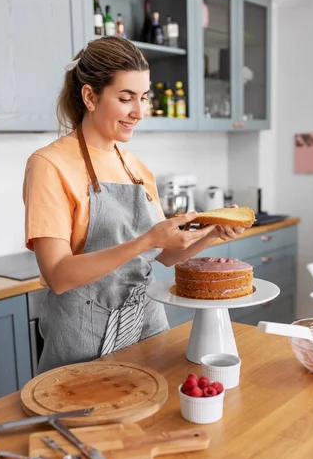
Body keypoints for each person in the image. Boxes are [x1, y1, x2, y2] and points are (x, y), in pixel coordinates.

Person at [23, 37, 242, 374]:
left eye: (143, 98)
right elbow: (58, 276)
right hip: (83, 341)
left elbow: (163, 256)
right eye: (126, 99)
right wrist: (148, 239)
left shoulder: (135, 167)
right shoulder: (49, 165)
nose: (139, 112)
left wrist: (211, 233)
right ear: (90, 96)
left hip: (147, 326)